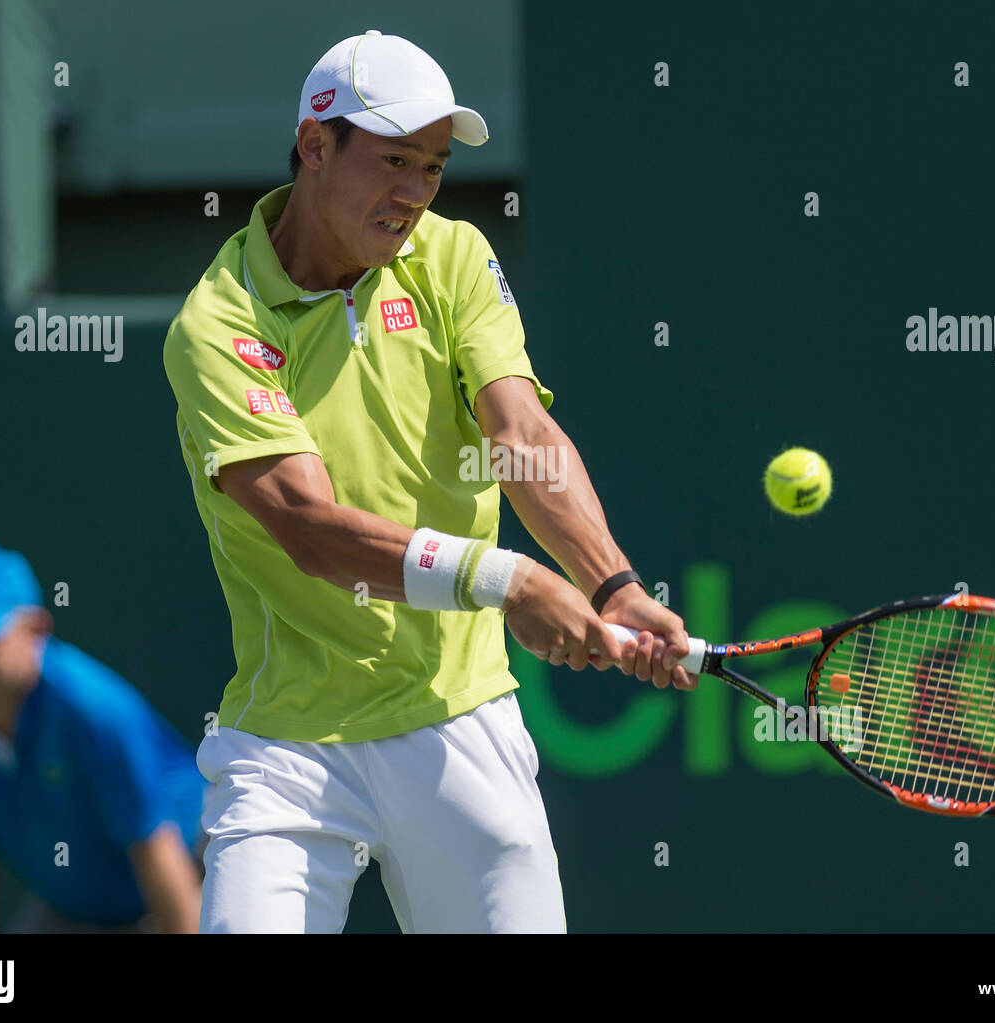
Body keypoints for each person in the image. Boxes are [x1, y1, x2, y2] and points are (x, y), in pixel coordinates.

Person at [163, 29, 696, 935]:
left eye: (434, 168)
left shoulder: (453, 259)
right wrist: (513, 580)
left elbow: (521, 434)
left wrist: (612, 583)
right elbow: (311, 529)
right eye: (393, 161)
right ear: (314, 144)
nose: (413, 194)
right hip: (287, 746)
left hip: (459, 722)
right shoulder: (217, 326)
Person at [0, 541, 207, 933]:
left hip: (191, 878)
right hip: (77, 909)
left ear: (36, 629)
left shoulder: (94, 708)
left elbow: (155, 848)